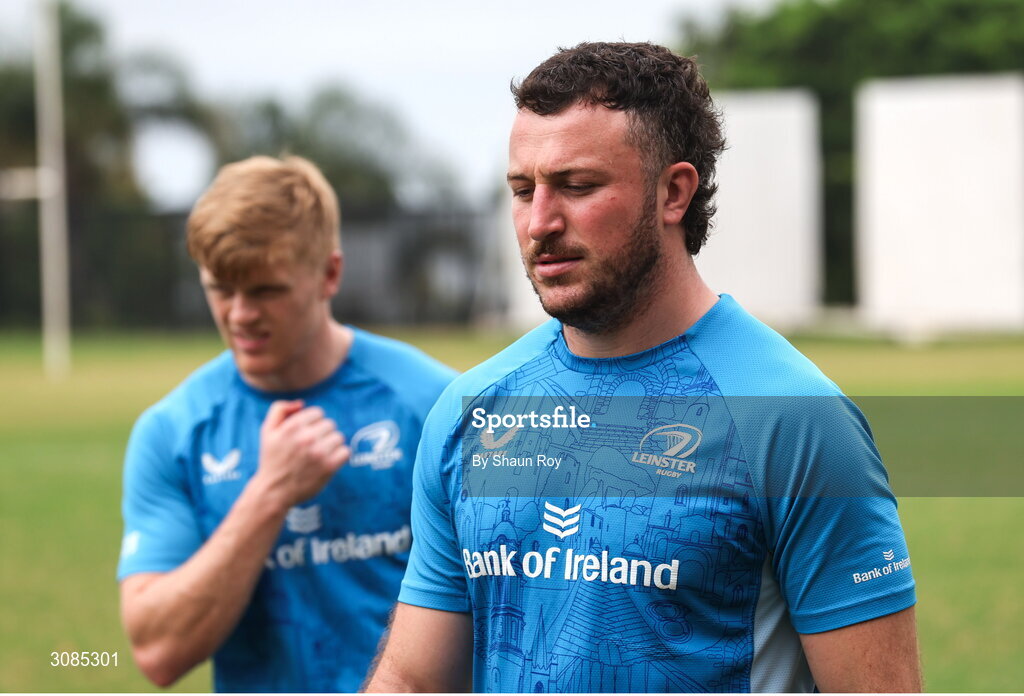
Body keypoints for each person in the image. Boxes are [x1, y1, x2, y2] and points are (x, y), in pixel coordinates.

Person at [365, 42, 921, 693]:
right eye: (522, 190)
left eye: (577, 186)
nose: (539, 221)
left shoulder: (792, 419)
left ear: (673, 192)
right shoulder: (473, 409)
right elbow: (411, 679)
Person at [116, 155, 456, 692]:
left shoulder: (436, 404)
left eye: (266, 290)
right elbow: (158, 651)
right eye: (220, 289)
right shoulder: (173, 432)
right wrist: (270, 494)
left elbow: (512, 608)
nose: (239, 314)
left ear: (329, 274)